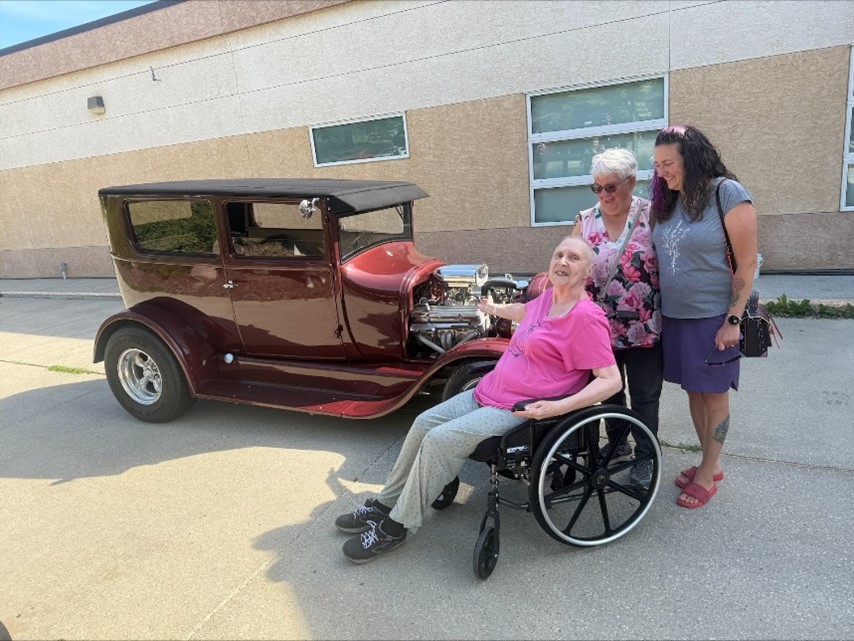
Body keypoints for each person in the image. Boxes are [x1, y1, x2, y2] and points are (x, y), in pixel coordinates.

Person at [335, 237, 622, 563]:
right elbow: (524, 311)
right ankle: (386, 502)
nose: (563, 261)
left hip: (521, 409)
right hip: (488, 391)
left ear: (588, 271)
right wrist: (493, 309)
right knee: (422, 422)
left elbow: (610, 380)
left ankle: (397, 525)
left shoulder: (586, 317)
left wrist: (557, 407)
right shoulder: (548, 299)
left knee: (439, 440)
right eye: (559, 254)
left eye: (573, 257)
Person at [650, 124, 757, 509]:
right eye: (657, 165)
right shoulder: (671, 199)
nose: (661, 172)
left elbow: (747, 263)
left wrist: (733, 319)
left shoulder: (726, 193)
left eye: (669, 163)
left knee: (714, 397)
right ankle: (706, 463)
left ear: (692, 159)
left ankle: (709, 473)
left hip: (714, 317)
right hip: (677, 317)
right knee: (695, 391)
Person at [570, 147, 663, 490]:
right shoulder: (585, 219)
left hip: (645, 327)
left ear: (631, 182)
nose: (604, 195)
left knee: (644, 395)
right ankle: (619, 444)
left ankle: (645, 455)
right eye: (598, 187)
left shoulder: (652, 214)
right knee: (609, 393)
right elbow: (568, 266)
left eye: (611, 187)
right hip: (598, 330)